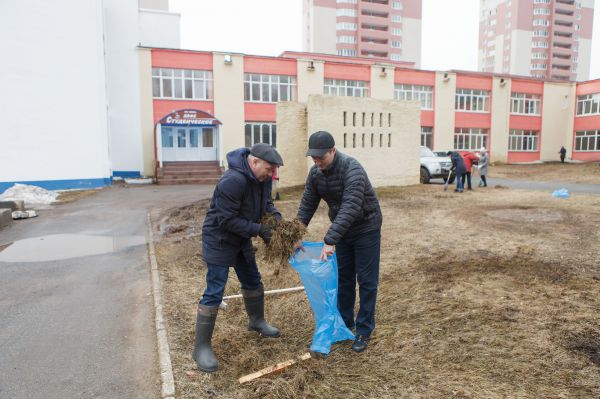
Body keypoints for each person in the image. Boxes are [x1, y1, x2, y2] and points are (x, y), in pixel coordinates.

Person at [192, 143, 284, 373]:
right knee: (215, 290)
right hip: (220, 239)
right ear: (254, 162)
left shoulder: (263, 179)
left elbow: (267, 204)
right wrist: (259, 230)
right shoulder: (233, 180)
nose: (272, 173)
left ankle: (256, 321)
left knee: (252, 279)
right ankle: (201, 348)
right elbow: (226, 220)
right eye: (270, 168)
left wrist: (276, 219)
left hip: (241, 236)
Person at [293, 131, 382, 353]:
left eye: (321, 157)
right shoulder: (316, 174)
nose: (317, 162)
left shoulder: (353, 169)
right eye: (313, 158)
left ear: (332, 150)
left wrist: (330, 239)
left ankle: (364, 329)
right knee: (343, 278)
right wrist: (296, 232)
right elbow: (307, 204)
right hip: (343, 232)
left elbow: (351, 205)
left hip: (366, 227)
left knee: (366, 280)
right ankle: (344, 323)